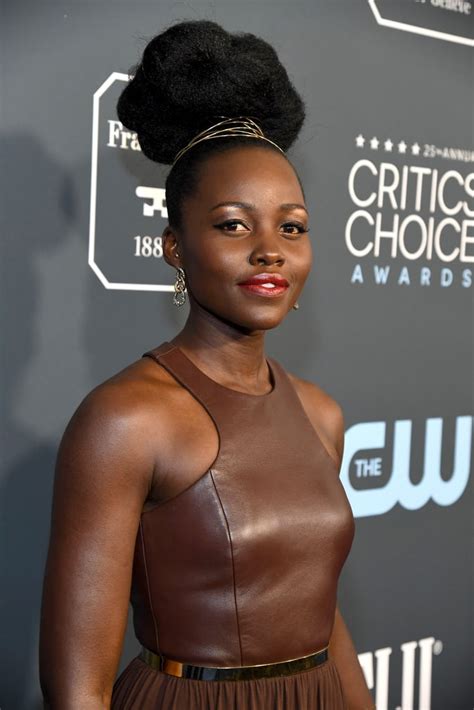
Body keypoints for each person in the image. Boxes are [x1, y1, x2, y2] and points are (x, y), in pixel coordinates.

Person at [39, 19, 375, 710]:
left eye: (291, 226)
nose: (269, 249)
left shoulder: (321, 413)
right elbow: (77, 689)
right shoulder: (126, 420)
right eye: (232, 224)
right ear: (173, 247)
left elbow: (320, 611)